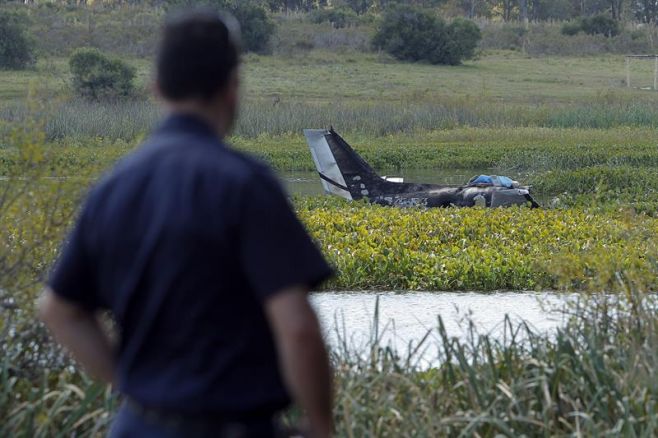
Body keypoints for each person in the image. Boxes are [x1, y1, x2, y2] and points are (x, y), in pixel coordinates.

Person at [38, 9, 334, 438]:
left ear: (157, 87)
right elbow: (299, 328)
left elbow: (58, 310)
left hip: (137, 427)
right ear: (231, 87)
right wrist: (322, 426)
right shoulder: (245, 183)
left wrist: (133, 386)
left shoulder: (112, 187)